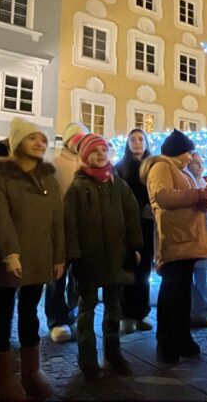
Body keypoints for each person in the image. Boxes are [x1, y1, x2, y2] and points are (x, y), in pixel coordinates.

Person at [0, 117, 65, 400]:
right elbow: (0, 216)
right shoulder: (3, 177)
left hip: (40, 255)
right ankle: (2, 379)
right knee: (1, 313)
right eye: (32, 137)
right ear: (18, 142)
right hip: (11, 258)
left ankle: (32, 372)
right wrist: (10, 252)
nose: (40, 142)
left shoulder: (49, 179)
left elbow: (58, 219)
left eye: (42, 139)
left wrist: (59, 256)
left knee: (30, 311)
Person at [64, 133, 143, 380]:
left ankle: (113, 352)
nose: (100, 155)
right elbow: (70, 224)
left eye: (104, 150)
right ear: (86, 156)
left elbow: (132, 217)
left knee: (114, 309)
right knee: (86, 309)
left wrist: (134, 247)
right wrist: (74, 257)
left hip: (117, 258)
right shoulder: (77, 188)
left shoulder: (118, 185)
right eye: (94, 151)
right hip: (88, 260)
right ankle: (87, 359)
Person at [141, 129, 207, 364]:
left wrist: (205, 200)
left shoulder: (181, 170)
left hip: (187, 238)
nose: (190, 157)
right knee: (172, 294)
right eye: (188, 153)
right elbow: (163, 196)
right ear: (178, 151)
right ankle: (167, 343)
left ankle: (182, 339)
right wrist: (197, 195)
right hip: (175, 239)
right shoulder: (162, 167)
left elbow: (187, 199)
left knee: (182, 295)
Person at [47, 122, 88, 344]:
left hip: (82, 230)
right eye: (76, 137)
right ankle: (56, 319)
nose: (79, 142)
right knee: (56, 276)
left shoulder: (88, 165)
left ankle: (72, 314)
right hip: (60, 229)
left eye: (83, 138)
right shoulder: (55, 164)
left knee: (78, 277)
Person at [115, 129, 156, 334]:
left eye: (141, 139)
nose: (137, 143)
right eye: (133, 139)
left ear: (146, 143)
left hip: (148, 226)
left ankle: (141, 313)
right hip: (128, 227)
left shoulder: (154, 167)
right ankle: (126, 315)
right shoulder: (120, 168)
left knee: (145, 271)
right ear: (127, 143)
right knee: (129, 269)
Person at [185, 152, 207, 328]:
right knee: (189, 276)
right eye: (196, 163)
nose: (200, 166)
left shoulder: (206, 184)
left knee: (201, 276)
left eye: (201, 163)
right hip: (188, 237)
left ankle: (202, 313)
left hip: (202, 237)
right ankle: (189, 312)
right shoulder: (186, 183)